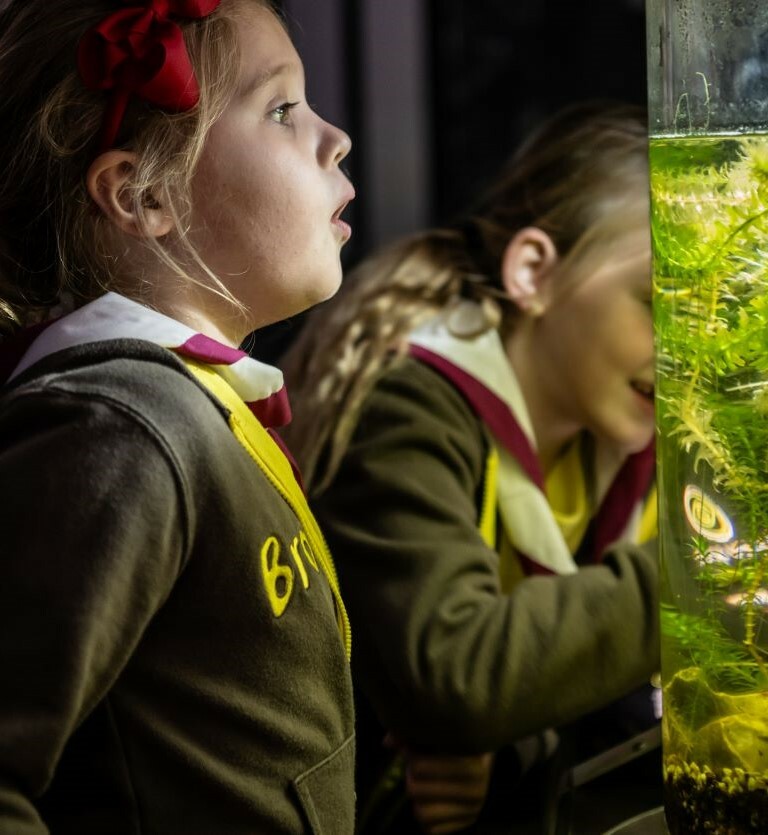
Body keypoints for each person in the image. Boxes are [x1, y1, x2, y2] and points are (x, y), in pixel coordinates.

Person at [0, 1, 356, 833]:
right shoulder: (121, 425)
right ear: (140, 194)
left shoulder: (191, 403)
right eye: (282, 108)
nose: (334, 136)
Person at [281, 102, 661, 834]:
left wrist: (512, 742)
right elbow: (455, 674)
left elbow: (544, 686)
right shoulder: (406, 406)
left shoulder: (619, 445)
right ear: (533, 273)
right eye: (653, 300)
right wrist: (693, 572)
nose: (684, 346)